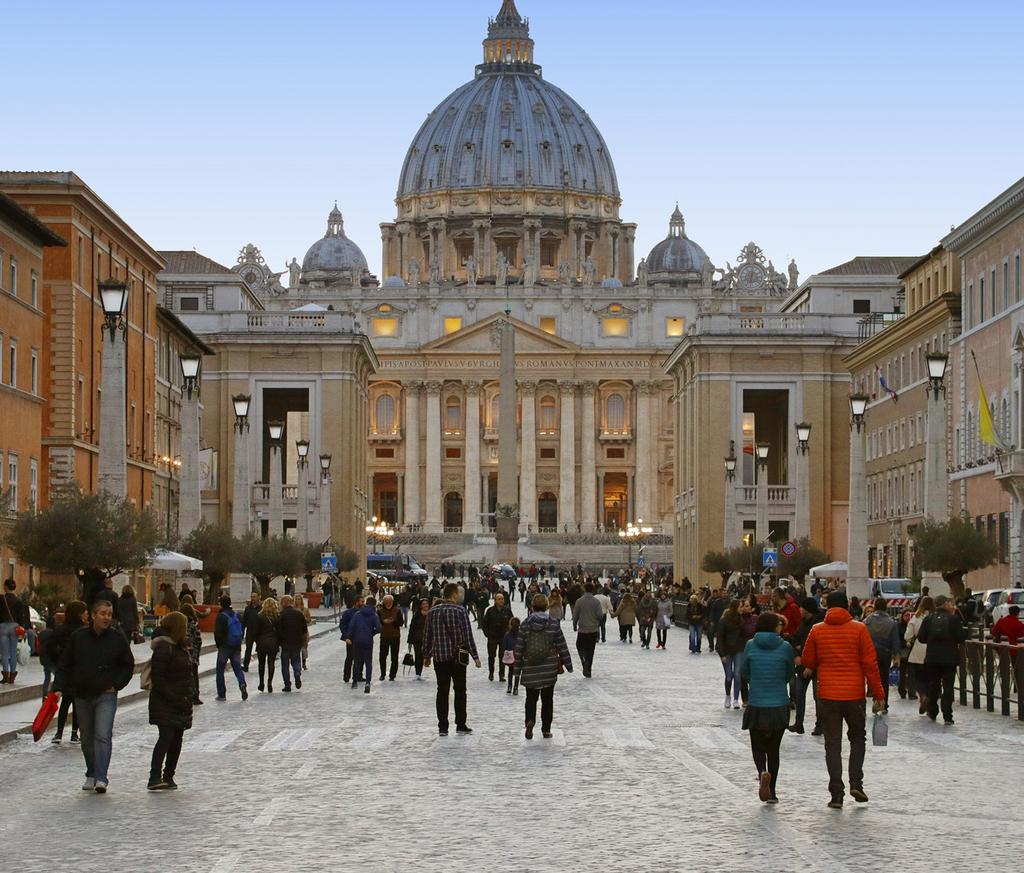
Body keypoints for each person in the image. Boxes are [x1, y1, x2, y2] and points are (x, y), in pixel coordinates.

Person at [801, 590, 886, 809]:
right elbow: (870, 664)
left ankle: (836, 793)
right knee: (858, 737)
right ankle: (856, 782)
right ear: (847, 606)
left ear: (827, 606)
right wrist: (879, 694)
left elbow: (808, 659)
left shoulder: (817, 630)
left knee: (832, 744)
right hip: (854, 694)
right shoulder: (859, 629)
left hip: (828, 694)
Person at [56, 599, 135, 793]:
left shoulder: (117, 638)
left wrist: (116, 684)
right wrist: (58, 687)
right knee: (86, 738)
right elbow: (65, 663)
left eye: (109, 614)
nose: (107, 618)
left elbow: (128, 664)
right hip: (82, 694)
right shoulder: (79, 637)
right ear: (93, 615)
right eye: (103, 614)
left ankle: (101, 777)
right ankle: (91, 772)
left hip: (106, 694)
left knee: (102, 735)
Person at [742, 612, 795, 803]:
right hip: (778, 703)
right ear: (775, 627)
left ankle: (762, 772)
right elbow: (790, 672)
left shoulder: (750, 645)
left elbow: (744, 672)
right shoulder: (785, 647)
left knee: (757, 746)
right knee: (774, 749)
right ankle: (772, 791)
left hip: (757, 702)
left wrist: (754, 682)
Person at [423, 583, 480, 736]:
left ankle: (442, 727)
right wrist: (475, 657)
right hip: (457, 658)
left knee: (442, 691)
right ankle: (460, 724)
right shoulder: (460, 610)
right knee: (460, 690)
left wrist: (426, 656)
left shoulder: (432, 611)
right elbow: (467, 635)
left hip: (440, 656)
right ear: (454, 593)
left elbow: (428, 635)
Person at [514, 594, 573, 739]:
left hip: (530, 667)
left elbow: (519, 648)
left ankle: (530, 721)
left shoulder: (525, 624)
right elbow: (561, 645)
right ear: (546, 606)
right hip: (549, 667)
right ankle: (546, 729)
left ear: (532, 607)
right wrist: (568, 664)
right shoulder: (553, 623)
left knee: (531, 698)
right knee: (547, 699)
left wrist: (517, 670)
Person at [147, 612, 194, 790]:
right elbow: (158, 677)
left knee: (176, 739)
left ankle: (169, 776)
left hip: (181, 700)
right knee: (166, 737)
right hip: (165, 701)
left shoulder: (180, 646)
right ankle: (154, 776)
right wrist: (174, 696)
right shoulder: (164, 648)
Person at [917, 594, 967, 725]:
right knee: (948, 687)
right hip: (950, 659)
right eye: (950, 603)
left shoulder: (928, 619)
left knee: (934, 685)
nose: (952, 606)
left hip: (932, 659)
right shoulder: (954, 619)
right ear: (945, 604)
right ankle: (948, 715)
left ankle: (932, 711)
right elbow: (961, 638)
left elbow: (921, 638)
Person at [46, 600, 87, 744]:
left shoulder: (60, 629)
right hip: (78, 670)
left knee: (65, 702)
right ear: (79, 614)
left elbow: (49, 648)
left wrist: (58, 660)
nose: (86, 614)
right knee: (76, 703)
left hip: (64, 670)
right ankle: (74, 733)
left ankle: (59, 732)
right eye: (84, 612)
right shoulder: (84, 630)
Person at [788, 597, 823, 733]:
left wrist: (811, 665)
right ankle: (798, 723)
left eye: (801, 608)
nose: (799, 610)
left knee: (817, 696)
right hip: (802, 664)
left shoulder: (818, 624)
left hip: (816, 666)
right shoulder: (803, 622)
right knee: (799, 693)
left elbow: (818, 647)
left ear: (807, 609)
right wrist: (796, 655)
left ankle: (820, 724)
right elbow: (795, 639)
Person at [863, 598, 901, 708]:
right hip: (885, 653)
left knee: (873, 676)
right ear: (886, 607)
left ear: (875, 606)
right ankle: (883, 702)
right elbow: (895, 641)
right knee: (884, 678)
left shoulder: (867, 621)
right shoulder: (891, 622)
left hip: (870, 652)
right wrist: (896, 656)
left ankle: (875, 697)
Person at [213, 595, 248, 702]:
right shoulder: (237, 615)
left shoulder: (221, 616)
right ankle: (242, 684)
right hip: (236, 646)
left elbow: (218, 633)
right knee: (237, 668)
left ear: (221, 604)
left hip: (225, 646)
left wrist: (219, 645)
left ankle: (222, 694)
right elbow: (242, 629)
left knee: (220, 669)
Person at [904, 596, 933, 715]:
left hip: (918, 650)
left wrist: (909, 640)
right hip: (933, 650)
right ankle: (930, 699)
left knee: (919, 677)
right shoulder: (935, 616)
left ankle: (922, 696)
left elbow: (907, 635)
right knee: (931, 678)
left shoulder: (916, 617)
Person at [1, 578, 30, 684]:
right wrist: (23, 629)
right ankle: (12, 676)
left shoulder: (1, 599)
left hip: (3, 626)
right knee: (13, 652)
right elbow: (21, 617)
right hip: (15, 627)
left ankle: (5, 675)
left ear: (5, 587)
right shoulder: (18, 601)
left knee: (4, 653)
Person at [571, 581, 603, 678]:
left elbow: (575, 615)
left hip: (582, 629)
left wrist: (574, 625)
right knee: (591, 649)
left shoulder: (579, 601)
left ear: (584, 589)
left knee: (579, 646)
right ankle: (588, 668)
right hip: (593, 629)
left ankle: (584, 661)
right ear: (593, 590)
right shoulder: (596, 602)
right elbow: (600, 615)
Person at [716, 600, 744, 709]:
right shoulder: (724, 620)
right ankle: (728, 696)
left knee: (737, 674)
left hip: (738, 649)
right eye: (740, 606)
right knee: (729, 676)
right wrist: (722, 653)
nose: (742, 608)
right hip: (726, 650)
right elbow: (720, 637)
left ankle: (736, 699)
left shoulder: (742, 620)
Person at [277, 595, 308, 692]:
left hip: (285, 643)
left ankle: (287, 684)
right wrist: (303, 640)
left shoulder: (281, 615)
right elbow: (304, 629)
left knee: (285, 665)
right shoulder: (298, 614)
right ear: (291, 602)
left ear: (282, 603)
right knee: (296, 660)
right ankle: (297, 673)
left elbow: (278, 630)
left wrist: (280, 641)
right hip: (296, 642)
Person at [482, 593, 513, 682]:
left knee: (502, 657)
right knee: (491, 656)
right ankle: (491, 672)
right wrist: (487, 633)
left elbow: (511, 622)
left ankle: (501, 675)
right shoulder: (490, 610)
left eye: (502, 599)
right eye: (499, 599)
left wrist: (509, 633)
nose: (501, 600)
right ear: (495, 600)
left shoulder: (507, 610)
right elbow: (485, 623)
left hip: (503, 637)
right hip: (492, 637)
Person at [179, 602, 204, 705]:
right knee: (194, 675)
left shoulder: (180, 623)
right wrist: (197, 653)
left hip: (182, 653)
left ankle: (184, 696)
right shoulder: (194, 624)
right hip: (193, 654)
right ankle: (195, 696)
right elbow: (198, 640)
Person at [254, 597, 280, 692]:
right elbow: (279, 631)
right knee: (271, 663)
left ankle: (261, 683)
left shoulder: (259, 616)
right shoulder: (277, 616)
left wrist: (256, 640)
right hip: (273, 642)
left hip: (262, 642)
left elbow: (256, 631)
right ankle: (269, 682)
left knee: (261, 664)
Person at [377, 594, 404, 682]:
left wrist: (393, 621)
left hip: (395, 636)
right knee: (382, 656)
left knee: (394, 657)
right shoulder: (380, 611)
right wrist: (383, 622)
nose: (388, 603)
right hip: (384, 636)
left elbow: (401, 623)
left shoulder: (397, 610)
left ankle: (392, 675)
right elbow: (378, 623)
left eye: (389, 601)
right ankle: (382, 673)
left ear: (392, 602)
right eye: (386, 601)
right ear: (384, 602)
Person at [339, 596, 362, 684]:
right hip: (351, 639)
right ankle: (346, 675)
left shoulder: (364, 612)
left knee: (360, 658)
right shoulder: (348, 613)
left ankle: (358, 675)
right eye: (361, 601)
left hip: (361, 639)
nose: (363, 603)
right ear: (356, 602)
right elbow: (342, 625)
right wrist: (346, 637)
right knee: (350, 657)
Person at [406, 598, 429, 679]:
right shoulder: (417, 615)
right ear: (420, 605)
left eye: (426, 603)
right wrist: (409, 641)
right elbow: (412, 628)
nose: (425, 605)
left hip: (428, 639)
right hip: (417, 639)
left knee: (425, 656)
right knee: (418, 655)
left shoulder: (431, 614)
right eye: (423, 604)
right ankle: (418, 673)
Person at [241, 591, 261, 672]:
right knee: (248, 649)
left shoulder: (261, 608)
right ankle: (246, 666)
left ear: (258, 597)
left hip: (259, 633)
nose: (253, 598)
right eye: (252, 597)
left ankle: (261, 665)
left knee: (260, 650)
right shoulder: (248, 608)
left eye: (254, 597)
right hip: (250, 632)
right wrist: (242, 632)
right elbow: (244, 621)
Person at [503, 617, 522, 694]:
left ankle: (509, 686)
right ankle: (516, 688)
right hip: (518, 655)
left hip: (510, 655)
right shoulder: (521, 634)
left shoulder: (507, 634)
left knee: (510, 671)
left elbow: (504, 645)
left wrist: (505, 651)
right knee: (517, 672)